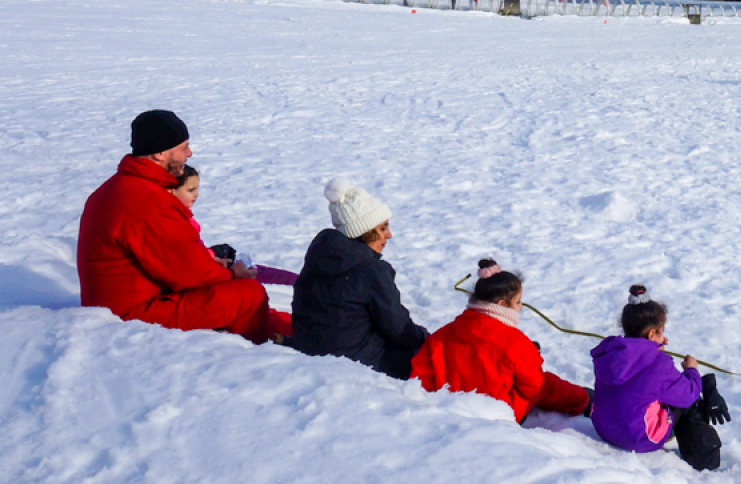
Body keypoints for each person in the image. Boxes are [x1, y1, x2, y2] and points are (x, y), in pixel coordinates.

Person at [77, 110, 283, 344]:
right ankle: (259, 354)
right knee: (248, 296)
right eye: (184, 147)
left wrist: (209, 264)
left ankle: (282, 329)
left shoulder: (123, 188)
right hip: (129, 315)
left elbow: (174, 259)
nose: (189, 153)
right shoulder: (143, 200)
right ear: (160, 153)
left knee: (240, 298)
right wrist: (231, 273)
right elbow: (190, 273)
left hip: (128, 303)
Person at [412, 259, 591, 421]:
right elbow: (533, 387)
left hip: (451, 410)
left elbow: (421, 377)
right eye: (518, 301)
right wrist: (531, 357)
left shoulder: (442, 335)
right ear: (501, 305)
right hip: (499, 415)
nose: (521, 307)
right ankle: (583, 399)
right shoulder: (514, 341)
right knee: (546, 383)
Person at [291, 177, 428, 377]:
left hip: (310, 352)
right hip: (359, 363)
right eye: (382, 228)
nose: (389, 235)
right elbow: (398, 329)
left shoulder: (319, 258)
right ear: (363, 231)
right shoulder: (371, 270)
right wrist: (426, 339)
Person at [590, 285, 729, 471]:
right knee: (686, 400)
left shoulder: (609, 353)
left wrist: (648, 348)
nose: (664, 337)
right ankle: (703, 455)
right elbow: (688, 393)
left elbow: (636, 373)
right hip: (639, 438)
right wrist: (692, 370)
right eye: (661, 332)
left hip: (604, 428)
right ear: (651, 333)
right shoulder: (658, 364)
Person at [172, 166, 298, 287]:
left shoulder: (184, 218)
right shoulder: (174, 222)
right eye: (190, 190)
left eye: (197, 189)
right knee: (250, 272)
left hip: (208, 266)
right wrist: (212, 254)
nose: (197, 195)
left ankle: (296, 280)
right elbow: (187, 257)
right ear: (172, 191)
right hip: (204, 273)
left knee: (251, 266)